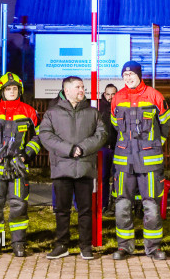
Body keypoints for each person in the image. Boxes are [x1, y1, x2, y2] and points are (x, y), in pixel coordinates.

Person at [38, 75, 107, 261]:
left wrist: (82, 148)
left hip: (85, 168)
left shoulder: (92, 112)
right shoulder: (52, 113)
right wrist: (69, 149)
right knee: (62, 210)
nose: (82, 90)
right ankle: (62, 245)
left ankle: (86, 247)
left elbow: (101, 135)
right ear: (66, 90)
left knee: (85, 210)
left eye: (83, 87)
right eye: (78, 87)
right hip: (62, 168)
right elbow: (45, 135)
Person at [110, 61, 170, 261]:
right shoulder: (117, 98)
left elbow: (166, 122)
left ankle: (153, 247)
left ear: (139, 75)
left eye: (131, 74)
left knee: (152, 204)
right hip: (124, 161)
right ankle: (124, 247)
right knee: (122, 204)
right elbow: (114, 123)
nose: (128, 78)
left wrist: (155, 144)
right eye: (125, 75)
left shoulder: (155, 96)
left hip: (150, 161)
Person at [0, 72, 40, 257]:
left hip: (19, 167)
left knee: (19, 204)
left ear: (19, 90)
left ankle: (18, 244)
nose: (12, 92)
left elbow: (39, 136)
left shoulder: (29, 111)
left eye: (14, 89)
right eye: (8, 89)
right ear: (1, 92)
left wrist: (26, 155)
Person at [99, 83, 118, 214]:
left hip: (118, 148)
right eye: (108, 94)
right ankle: (103, 204)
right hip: (103, 148)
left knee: (118, 177)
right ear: (104, 94)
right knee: (103, 177)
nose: (110, 97)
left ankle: (115, 203)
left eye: (113, 94)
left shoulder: (120, 106)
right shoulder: (98, 107)